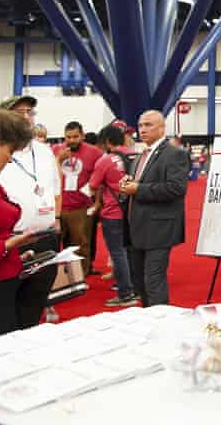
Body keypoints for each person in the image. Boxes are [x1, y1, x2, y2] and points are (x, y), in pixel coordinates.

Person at [0, 108, 43, 339]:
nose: (10, 158)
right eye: (10, 150)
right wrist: (6, 246)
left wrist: (14, 252)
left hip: (0, 283)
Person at [0, 95, 61, 327]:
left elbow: (54, 188)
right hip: (11, 240)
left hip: (45, 237)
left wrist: (57, 219)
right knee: (5, 307)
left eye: (30, 112)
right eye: (19, 111)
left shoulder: (44, 151)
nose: (26, 117)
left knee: (35, 303)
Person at [119, 110, 189, 306]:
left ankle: (162, 324)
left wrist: (138, 189)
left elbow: (176, 189)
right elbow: (138, 187)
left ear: (162, 128)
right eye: (141, 125)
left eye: (148, 125)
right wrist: (127, 185)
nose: (143, 130)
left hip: (159, 229)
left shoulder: (175, 154)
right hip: (136, 228)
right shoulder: (141, 155)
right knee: (140, 283)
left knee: (153, 282)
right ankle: (149, 320)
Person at [89, 124, 137, 307]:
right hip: (134, 211)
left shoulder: (106, 160)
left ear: (107, 142)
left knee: (118, 252)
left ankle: (125, 293)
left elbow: (93, 186)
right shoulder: (137, 156)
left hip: (113, 212)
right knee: (132, 251)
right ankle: (135, 287)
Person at [53, 121, 102, 275]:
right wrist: (58, 160)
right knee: (58, 246)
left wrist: (98, 203)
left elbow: (101, 179)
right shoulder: (55, 150)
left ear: (82, 136)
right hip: (58, 207)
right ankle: (63, 276)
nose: (72, 140)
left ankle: (82, 276)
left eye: (75, 136)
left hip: (81, 207)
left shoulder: (94, 152)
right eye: (68, 137)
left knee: (81, 244)